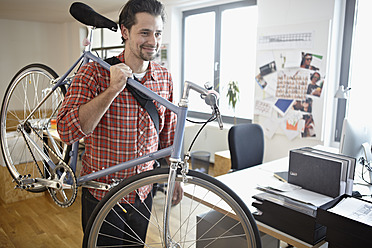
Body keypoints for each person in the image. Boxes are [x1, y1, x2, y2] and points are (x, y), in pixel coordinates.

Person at [57, 0, 182, 245]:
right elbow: (65, 130)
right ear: (125, 32)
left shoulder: (164, 77)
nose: (153, 41)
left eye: (157, 33)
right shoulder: (94, 73)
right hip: (103, 196)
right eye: (144, 33)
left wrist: (175, 176)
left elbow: (168, 133)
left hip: (142, 193)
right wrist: (113, 89)